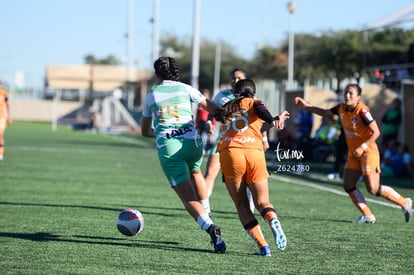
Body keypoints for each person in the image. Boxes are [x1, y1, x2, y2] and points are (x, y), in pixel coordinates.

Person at [141, 56, 226, 253]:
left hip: (170, 147)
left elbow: (145, 131)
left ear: (156, 74)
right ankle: (208, 211)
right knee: (196, 172)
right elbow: (212, 108)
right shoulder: (186, 88)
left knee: (188, 198)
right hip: (193, 142)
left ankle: (209, 226)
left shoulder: (152, 95)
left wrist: (161, 133)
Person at [295, 84, 412, 224]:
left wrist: (362, 147)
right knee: (348, 185)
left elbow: (376, 132)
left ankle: (404, 202)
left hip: (368, 151)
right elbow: (326, 112)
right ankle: (368, 215)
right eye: (346, 93)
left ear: (358, 97)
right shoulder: (341, 108)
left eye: (351, 93)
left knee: (373, 189)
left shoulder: (362, 111)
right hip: (354, 153)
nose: (347, 96)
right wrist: (307, 106)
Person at [216, 79, 289, 256]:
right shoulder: (255, 102)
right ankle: (272, 221)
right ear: (253, 93)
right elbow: (260, 111)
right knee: (263, 202)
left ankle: (264, 247)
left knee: (242, 204)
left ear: (235, 92)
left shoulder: (227, 107)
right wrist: (273, 119)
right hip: (254, 152)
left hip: (231, 153)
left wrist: (272, 119)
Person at [0, 81, 12, 160]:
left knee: (0, 135)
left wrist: (9, 116)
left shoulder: (3, 93)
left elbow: (8, 104)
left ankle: (1, 154)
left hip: (1, 117)